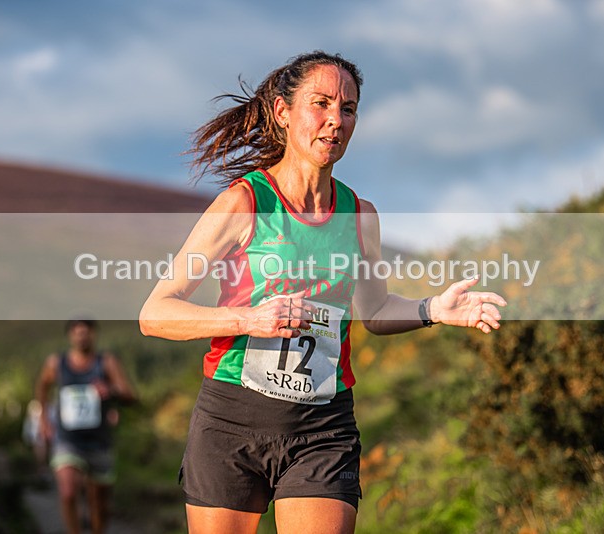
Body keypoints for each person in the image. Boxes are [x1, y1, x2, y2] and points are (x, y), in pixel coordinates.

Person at [139, 51, 506, 534]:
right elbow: (156, 313)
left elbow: (373, 310)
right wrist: (250, 320)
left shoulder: (360, 215)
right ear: (282, 112)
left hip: (323, 426)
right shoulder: (244, 203)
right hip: (232, 420)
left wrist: (433, 308)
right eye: (321, 103)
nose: (336, 120)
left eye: (348, 109)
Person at [35, 318, 138, 534]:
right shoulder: (57, 363)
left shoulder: (106, 362)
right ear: (70, 336)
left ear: (94, 335)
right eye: (77, 332)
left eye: (86, 332)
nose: (82, 336)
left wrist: (110, 390)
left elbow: (130, 395)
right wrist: (44, 419)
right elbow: (42, 387)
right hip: (67, 439)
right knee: (68, 490)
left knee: (99, 502)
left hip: (99, 441)